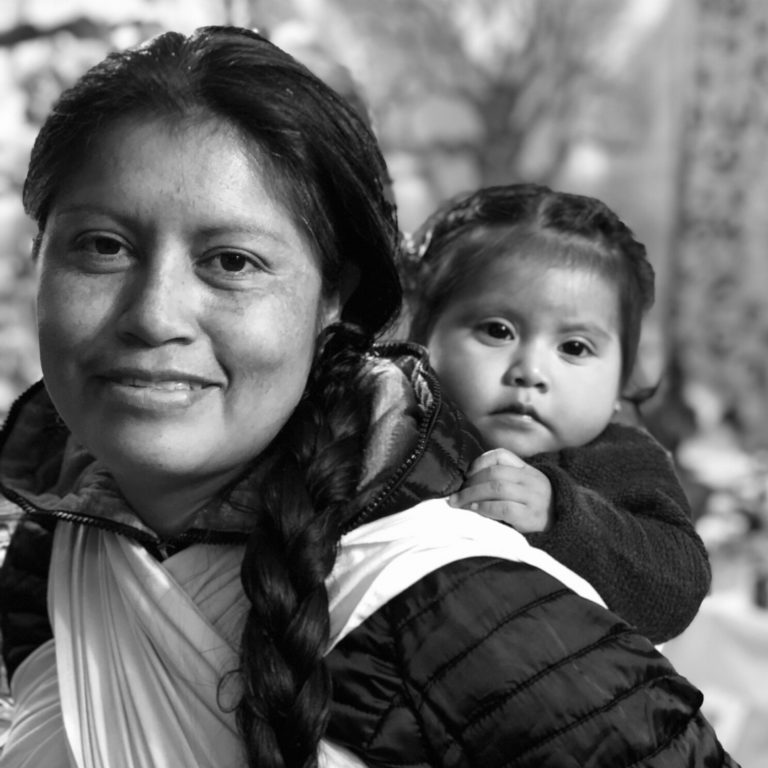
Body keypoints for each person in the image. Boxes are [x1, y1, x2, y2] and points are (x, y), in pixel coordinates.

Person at [0, 27, 736, 768]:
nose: (155, 315)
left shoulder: (464, 603)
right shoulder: (52, 545)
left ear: (335, 298)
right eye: (102, 246)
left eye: (233, 261)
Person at [401, 183, 710, 644]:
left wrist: (559, 513)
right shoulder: (398, 430)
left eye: (574, 347)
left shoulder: (620, 458)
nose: (530, 372)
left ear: (620, 384)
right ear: (422, 337)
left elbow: (678, 587)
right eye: (497, 331)